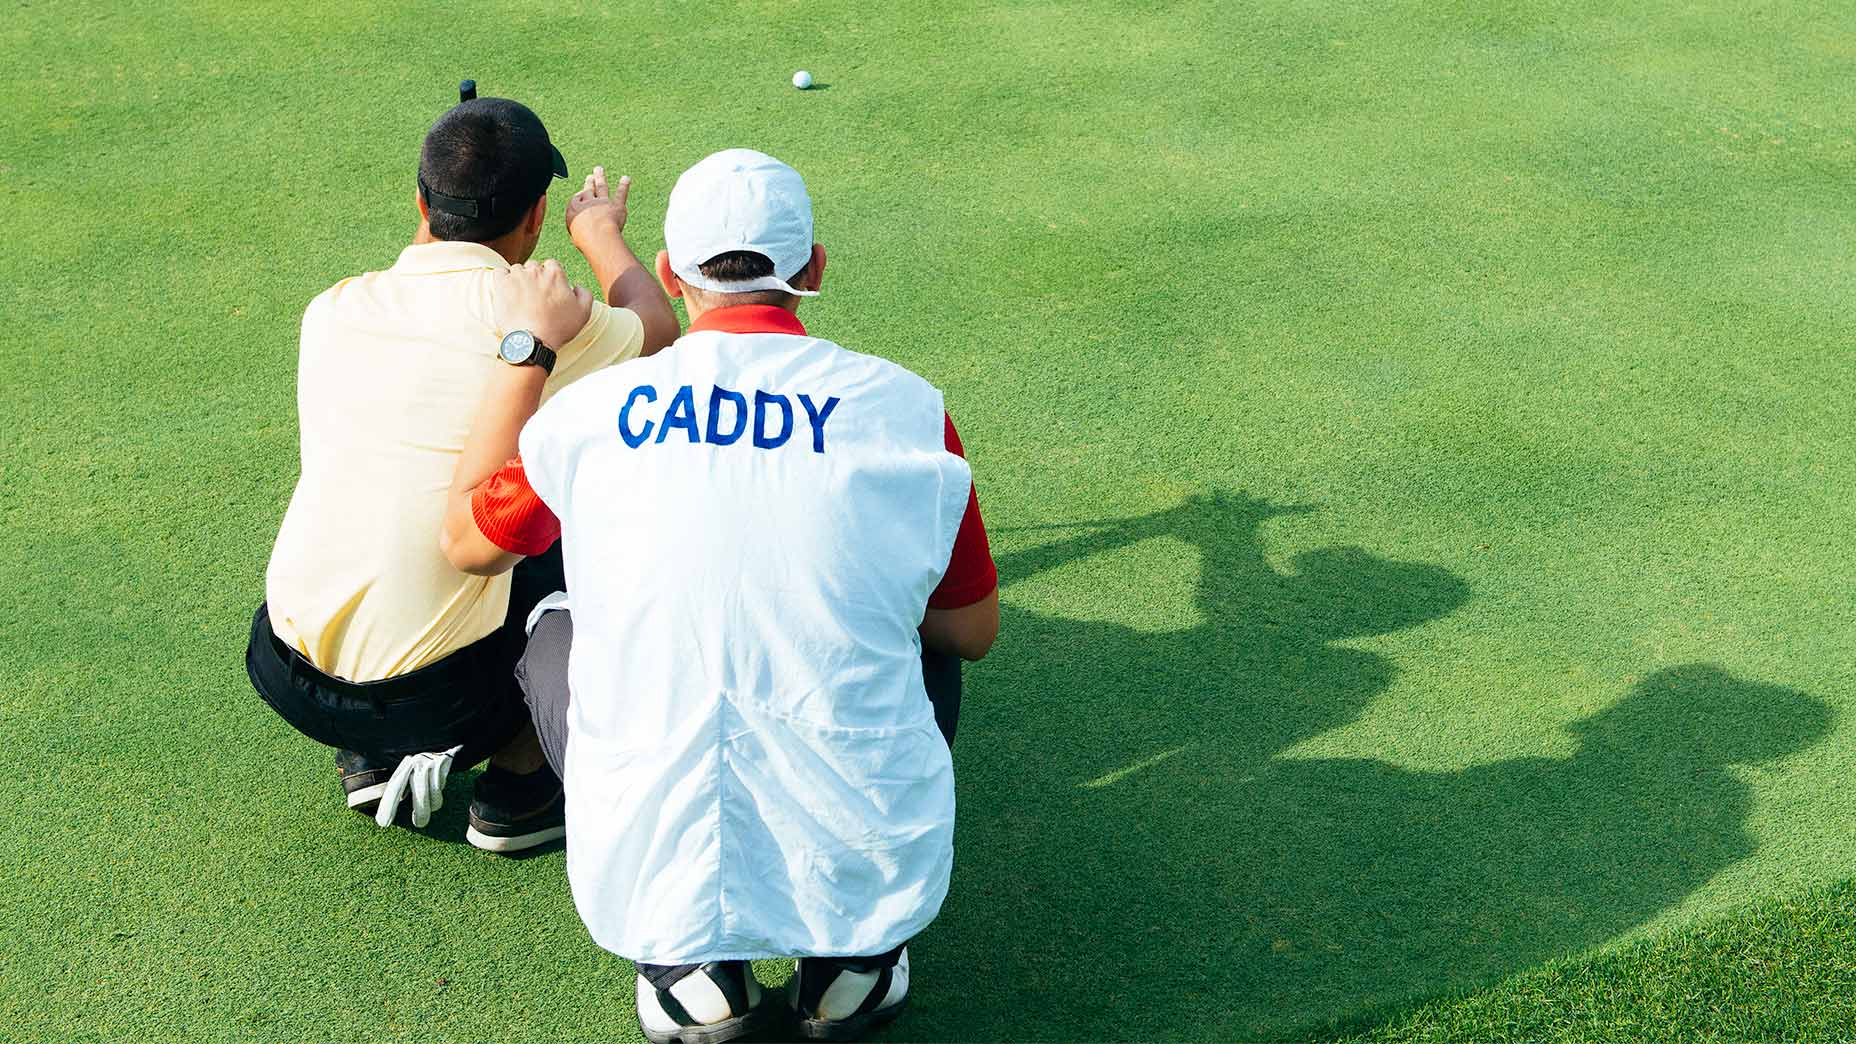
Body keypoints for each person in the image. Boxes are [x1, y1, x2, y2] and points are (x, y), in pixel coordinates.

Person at [440, 149, 999, 1041]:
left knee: (550, 628)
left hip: (652, 865)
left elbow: (467, 541)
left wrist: (526, 347)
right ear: (812, 270)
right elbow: (971, 631)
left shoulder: (586, 416)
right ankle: (851, 964)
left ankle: (690, 972)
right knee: (916, 625)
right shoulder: (908, 408)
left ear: (670, 273)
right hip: (868, 858)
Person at [243, 85, 677, 854]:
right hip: (443, 698)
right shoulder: (542, 316)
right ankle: (520, 779)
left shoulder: (331, 307)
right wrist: (601, 234)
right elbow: (659, 331)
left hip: (282, 670)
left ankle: (372, 756)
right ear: (538, 214)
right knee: (598, 517)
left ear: (419, 197)